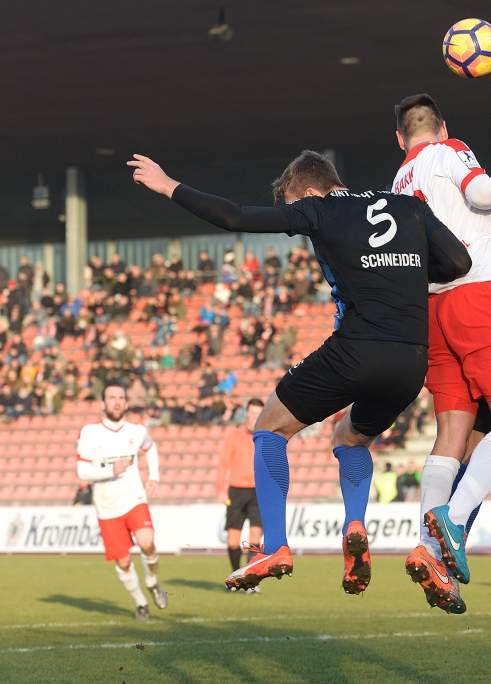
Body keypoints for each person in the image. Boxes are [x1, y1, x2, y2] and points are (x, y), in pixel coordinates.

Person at [128, 150, 471, 595]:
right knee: (350, 437)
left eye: (293, 205)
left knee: (269, 427)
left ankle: (275, 546)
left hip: (357, 348)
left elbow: (235, 217)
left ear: (309, 191)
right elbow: (458, 264)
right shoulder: (409, 204)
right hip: (410, 362)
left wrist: (168, 185)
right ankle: (354, 527)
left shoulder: (321, 207)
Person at [391, 94, 491, 615]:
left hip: (430, 311)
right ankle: (451, 519)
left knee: (450, 435)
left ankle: (427, 550)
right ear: (443, 127)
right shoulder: (452, 150)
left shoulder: (397, 183)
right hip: (478, 295)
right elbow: (487, 194)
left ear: (400, 138)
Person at [76, 382, 167, 620]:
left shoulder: (136, 431)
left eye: (120, 398)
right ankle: (140, 603)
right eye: (111, 397)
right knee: (124, 562)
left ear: (126, 403)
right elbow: (82, 472)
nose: (116, 401)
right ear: (103, 403)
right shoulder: (89, 432)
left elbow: (151, 447)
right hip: (107, 506)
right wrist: (111, 470)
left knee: (147, 542)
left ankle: (152, 581)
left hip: (134, 498)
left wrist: (154, 477)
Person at [216, 398, 265, 592]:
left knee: (255, 535)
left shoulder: (266, 437)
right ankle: (236, 576)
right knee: (233, 540)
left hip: (258, 491)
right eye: (252, 413)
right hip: (236, 491)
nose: (255, 417)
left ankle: (249, 579)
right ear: (246, 413)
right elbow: (223, 464)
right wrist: (220, 489)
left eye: (258, 414)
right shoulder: (233, 436)